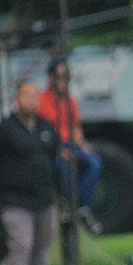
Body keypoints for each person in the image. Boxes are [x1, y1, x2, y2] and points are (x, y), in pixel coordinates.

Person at [0, 81, 59, 265]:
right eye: (26, 95)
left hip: (44, 199)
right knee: (21, 247)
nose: (31, 100)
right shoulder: (4, 129)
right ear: (16, 99)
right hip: (16, 200)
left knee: (41, 250)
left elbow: (52, 157)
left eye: (35, 96)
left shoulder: (46, 127)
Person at [37, 58, 103, 235]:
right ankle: (68, 205)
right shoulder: (41, 100)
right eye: (59, 77)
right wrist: (59, 149)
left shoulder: (70, 101)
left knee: (94, 163)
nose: (63, 81)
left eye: (67, 77)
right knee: (63, 166)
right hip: (52, 145)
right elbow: (42, 130)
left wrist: (80, 143)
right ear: (50, 78)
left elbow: (75, 126)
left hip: (71, 143)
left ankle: (81, 207)